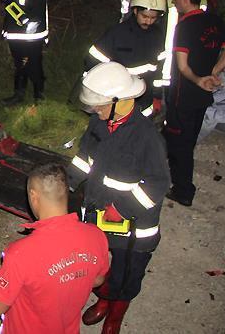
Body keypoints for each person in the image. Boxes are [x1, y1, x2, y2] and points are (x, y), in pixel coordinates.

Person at [69, 61, 170, 334]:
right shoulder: (98, 123)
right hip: (98, 215)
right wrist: (67, 182)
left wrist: (124, 208)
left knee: (127, 272)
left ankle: (115, 314)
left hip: (134, 228)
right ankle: (104, 299)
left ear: (120, 101)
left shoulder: (147, 137)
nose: (94, 111)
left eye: (99, 106)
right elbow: (85, 158)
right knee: (100, 261)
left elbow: (159, 183)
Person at [0, 163, 109, 334]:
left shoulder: (21, 253)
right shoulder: (96, 235)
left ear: (33, 196)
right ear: (64, 193)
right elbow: (98, 279)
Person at [163, 0, 225, 206]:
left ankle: (183, 191)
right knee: (188, 138)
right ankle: (173, 172)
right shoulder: (213, 20)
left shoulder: (185, 25)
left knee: (181, 143)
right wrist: (214, 71)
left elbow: (182, 66)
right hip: (203, 94)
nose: (174, 1)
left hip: (183, 94)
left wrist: (198, 79)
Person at [85, 0, 166, 117]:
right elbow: (93, 60)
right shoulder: (117, 33)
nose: (148, 21)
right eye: (144, 16)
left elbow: (159, 70)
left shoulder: (157, 36)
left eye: (153, 18)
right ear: (135, 11)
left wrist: (157, 96)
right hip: (118, 96)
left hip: (145, 97)